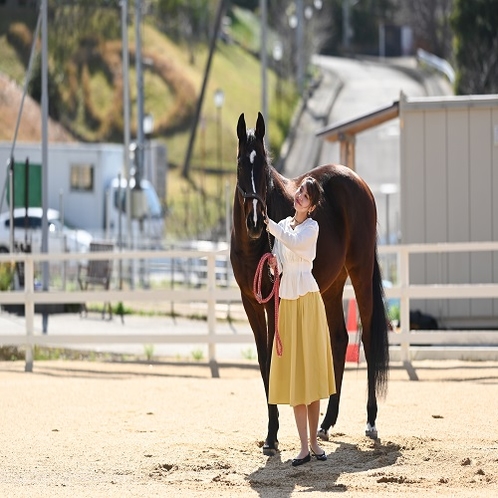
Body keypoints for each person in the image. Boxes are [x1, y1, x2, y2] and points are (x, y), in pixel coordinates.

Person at [264, 176, 336, 467]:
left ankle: (314, 444)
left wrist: (267, 224)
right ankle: (304, 446)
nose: (299, 198)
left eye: (305, 196)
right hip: (288, 300)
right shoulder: (283, 226)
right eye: (299, 193)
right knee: (296, 371)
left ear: (313, 205)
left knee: (311, 369)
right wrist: (273, 263)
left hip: (307, 300)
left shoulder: (311, 228)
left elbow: (295, 245)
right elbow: (282, 260)